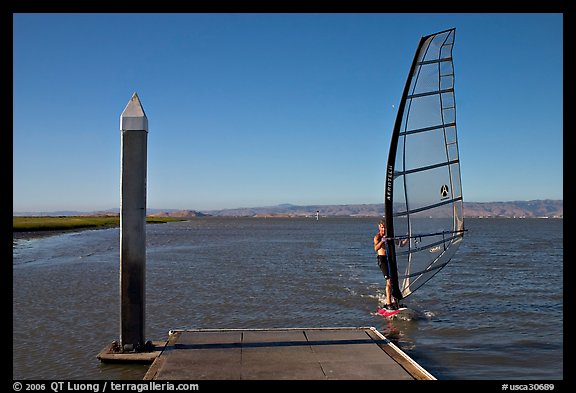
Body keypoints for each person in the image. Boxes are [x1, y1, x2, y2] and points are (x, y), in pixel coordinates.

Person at [374, 219, 408, 310]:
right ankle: (388, 302)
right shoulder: (377, 236)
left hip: (391, 258)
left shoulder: (390, 235)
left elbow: (401, 244)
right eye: (382, 227)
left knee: (395, 280)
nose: (383, 229)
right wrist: (382, 241)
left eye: (385, 227)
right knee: (389, 281)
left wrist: (407, 238)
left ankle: (395, 301)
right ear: (379, 227)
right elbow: (376, 248)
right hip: (383, 260)